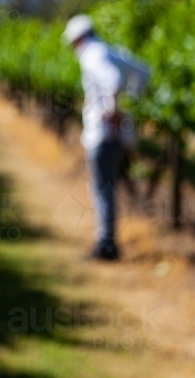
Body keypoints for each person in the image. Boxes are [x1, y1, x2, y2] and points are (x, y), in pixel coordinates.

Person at [63, 14, 150, 261]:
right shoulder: (111, 51)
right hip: (120, 135)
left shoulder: (92, 54)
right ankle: (108, 241)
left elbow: (114, 81)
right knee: (109, 186)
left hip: (104, 134)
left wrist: (114, 111)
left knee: (102, 188)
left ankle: (106, 245)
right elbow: (144, 72)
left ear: (77, 40)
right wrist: (131, 101)